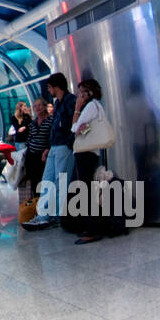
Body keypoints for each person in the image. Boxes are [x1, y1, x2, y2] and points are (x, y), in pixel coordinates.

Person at [24, 74, 76, 229]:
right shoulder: (58, 103)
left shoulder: (70, 101)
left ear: (55, 86)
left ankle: (55, 216)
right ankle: (44, 215)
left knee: (60, 182)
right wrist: (49, 147)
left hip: (64, 147)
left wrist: (68, 143)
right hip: (54, 147)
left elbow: (75, 123)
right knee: (47, 181)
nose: (48, 90)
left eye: (49, 87)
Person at [67, 79, 108, 244]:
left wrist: (77, 109)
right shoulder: (96, 106)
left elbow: (74, 128)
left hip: (86, 153)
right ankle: (92, 226)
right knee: (87, 190)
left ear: (88, 93)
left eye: (81, 92)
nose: (79, 96)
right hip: (89, 152)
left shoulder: (91, 106)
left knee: (85, 191)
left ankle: (93, 230)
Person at [17, 98, 52, 203]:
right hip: (31, 155)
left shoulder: (51, 120)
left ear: (45, 106)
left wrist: (47, 149)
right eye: (35, 106)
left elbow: (52, 137)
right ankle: (36, 204)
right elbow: (30, 138)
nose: (37, 108)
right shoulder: (33, 123)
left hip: (43, 156)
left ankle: (45, 204)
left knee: (44, 180)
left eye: (40, 105)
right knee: (34, 181)